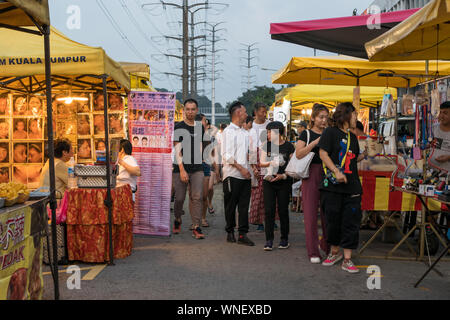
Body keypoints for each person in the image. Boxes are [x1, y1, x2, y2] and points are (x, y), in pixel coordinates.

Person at [319, 102, 363, 273]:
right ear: (346, 115)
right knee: (333, 221)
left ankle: (347, 259)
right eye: (354, 115)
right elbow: (323, 153)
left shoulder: (353, 137)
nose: (356, 119)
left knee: (351, 223)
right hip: (332, 186)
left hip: (352, 187)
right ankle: (334, 252)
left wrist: (367, 155)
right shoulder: (330, 132)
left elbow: (353, 159)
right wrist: (336, 171)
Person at [295, 104, 330, 263]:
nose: (324, 120)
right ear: (313, 118)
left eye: (326, 117)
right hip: (311, 173)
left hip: (328, 173)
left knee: (328, 212)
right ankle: (313, 250)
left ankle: (327, 246)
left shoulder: (330, 133)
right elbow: (299, 154)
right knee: (310, 214)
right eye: (321, 117)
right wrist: (315, 142)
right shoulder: (306, 134)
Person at [222, 101, 254, 246]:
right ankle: (230, 231)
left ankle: (242, 233)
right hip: (232, 175)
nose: (247, 114)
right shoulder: (228, 132)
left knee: (244, 206)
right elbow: (227, 155)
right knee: (230, 205)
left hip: (245, 175)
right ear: (238, 113)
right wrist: (241, 168)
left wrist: (251, 168)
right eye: (245, 112)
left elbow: (247, 154)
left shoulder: (245, 133)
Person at [172, 98, 205, 239]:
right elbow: (177, 149)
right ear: (183, 110)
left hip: (197, 168)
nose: (190, 112)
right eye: (188, 109)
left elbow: (200, 145)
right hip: (180, 167)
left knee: (197, 197)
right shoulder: (178, 127)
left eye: (193, 109)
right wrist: (182, 169)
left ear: (196, 110)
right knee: (179, 198)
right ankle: (178, 219)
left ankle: (196, 226)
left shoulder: (200, 127)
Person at [259, 121, 295, 251]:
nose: (267, 134)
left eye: (269, 132)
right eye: (267, 131)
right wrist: (270, 164)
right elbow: (261, 163)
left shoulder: (289, 147)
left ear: (278, 132)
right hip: (269, 181)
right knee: (269, 211)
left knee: (283, 210)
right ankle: (269, 240)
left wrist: (283, 175)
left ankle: (284, 238)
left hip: (284, 181)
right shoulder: (266, 146)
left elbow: (292, 166)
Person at [249, 102, 270, 231]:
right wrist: (253, 167)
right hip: (255, 160)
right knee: (258, 192)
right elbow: (250, 148)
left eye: (265, 111)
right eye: (262, 111)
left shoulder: (269, 125)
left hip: (268, 158)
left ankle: (270, 219)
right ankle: (259, 220)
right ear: (256, 112)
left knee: (269, 191)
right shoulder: (250, 127)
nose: (264, 114)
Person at [429, 101, 450, 173]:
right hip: (432, 173)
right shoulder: (433, 129)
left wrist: (448, 157)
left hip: (447, 175)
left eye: (445, 113)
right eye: (440, 112)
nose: (441, 116)